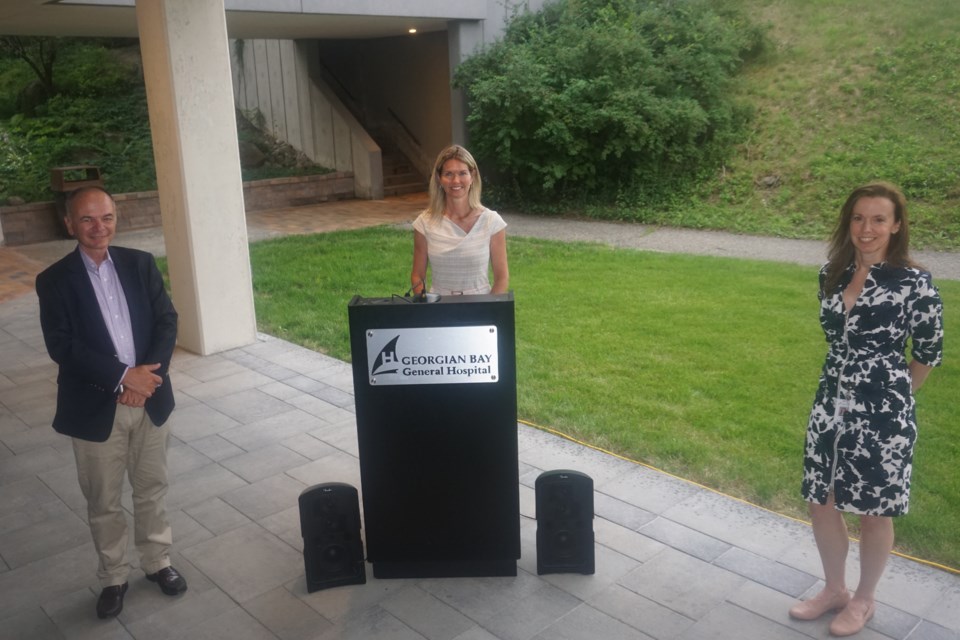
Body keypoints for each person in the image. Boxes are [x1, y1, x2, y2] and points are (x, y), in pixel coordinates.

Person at [789, 182, 944, 636]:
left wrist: (894, 398)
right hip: (829, 405)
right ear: (848, 222)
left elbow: (928, 352)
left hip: (883, 414)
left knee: (875, 511)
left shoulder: (914, 283)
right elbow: (837, 339)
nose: (867, 228)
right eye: (858, 218)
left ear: (896, 226)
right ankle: (834, 589)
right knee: (822, 502)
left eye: (879, 219)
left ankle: (863, 599)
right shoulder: (830, 274)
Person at [35, 186, 186, 619]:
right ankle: (114, 576)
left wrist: (147, 380)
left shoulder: (140, 264)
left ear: (116, 218)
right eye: (87, 219)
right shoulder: (55, 280)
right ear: (69, 224)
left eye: (106, 217)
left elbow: (166, 321)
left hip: (151, 399)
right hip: (96, 407)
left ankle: (158, 563)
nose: (98, 227)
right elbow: (62, 345)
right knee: (103, 500)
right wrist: (123, 377)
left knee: (152, 488)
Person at [411, 145, 509, 296]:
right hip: (439, 308)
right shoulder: (424, 223)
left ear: (473, 176)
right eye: (448, 174)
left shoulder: (491, 222)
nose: (456, 180)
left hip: (480, 309)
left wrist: (488, 310)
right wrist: (427, 307)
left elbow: (502, 278)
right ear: (439, 178)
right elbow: (417, 276)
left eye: (463, 173)